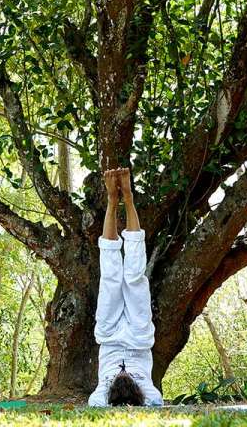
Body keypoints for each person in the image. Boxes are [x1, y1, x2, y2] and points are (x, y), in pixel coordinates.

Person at [88, 168, 164, 407]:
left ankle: (112, 201)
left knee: (110, 277)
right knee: (133, 276)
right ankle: (128, 198)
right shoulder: (149, 394)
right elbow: (155, 402)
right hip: (139, 337)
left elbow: (96, 405)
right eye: (127, 380)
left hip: (109, 336)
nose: (122, 376)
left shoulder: (100, 395)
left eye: (117, 381)